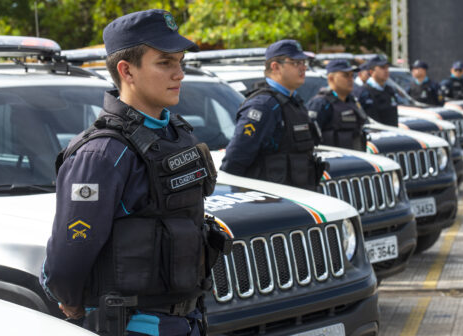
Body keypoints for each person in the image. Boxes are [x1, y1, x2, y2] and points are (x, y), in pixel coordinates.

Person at [40, 9, 225, 336]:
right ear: (127, 71)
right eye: (165, 63)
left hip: (189, 318)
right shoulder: (102, 153)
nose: (179, 73)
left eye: (180, 62)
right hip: (134, 325)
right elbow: (71, 250)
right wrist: (69, 298)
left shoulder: (176, 133)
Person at [220, 39, 325, 190]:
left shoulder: (294, 101)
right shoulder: (264, 106)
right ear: (275, 67)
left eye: (304, 62)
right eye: (296, 62)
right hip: (272, 204)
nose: (303, 68)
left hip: (298, 198)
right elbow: (235, 160)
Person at [306, 59, 367, 151]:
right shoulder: (320, 103)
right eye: (346, 75)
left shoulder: (352, 101)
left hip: (355, 159)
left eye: (352, 75)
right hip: (334, 162)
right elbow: (310, 138)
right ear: (331, 78)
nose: (351, 79)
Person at [355, 55, 399, 126]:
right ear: (371, 71)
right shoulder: (363, 92)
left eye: (387, 67)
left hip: (392, 134)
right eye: (382, 68)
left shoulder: (390, 90)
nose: (386, 71)